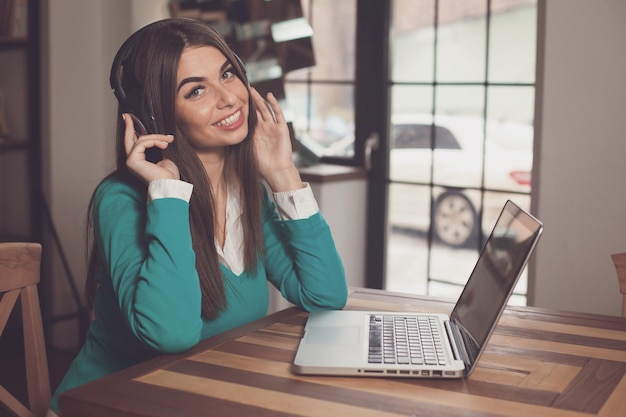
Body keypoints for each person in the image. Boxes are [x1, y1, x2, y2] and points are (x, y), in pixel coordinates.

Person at [48, 17, 347, 415]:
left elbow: (325, 295)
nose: (228, 98)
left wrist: (282, 174)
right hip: (108, 405)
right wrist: (167, 193)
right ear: (154, 115)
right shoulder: (120, 200)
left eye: (227, 74)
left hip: (203, 398)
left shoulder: (250, 193)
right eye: (196, 91)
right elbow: (170, 335)